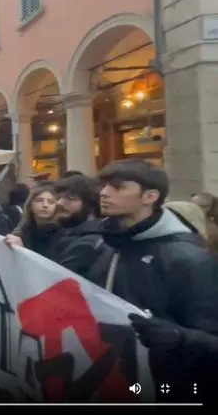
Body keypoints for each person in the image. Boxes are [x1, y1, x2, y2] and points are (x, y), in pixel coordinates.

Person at [88, 160, 218, 402]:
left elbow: (211, 340)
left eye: (118, 187)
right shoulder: (105, 244)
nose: (104, 193)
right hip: (111, 383)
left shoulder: (188, 258)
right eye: (104, 185)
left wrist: (178, 338)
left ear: (150, 196)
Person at [4, 175, 105, 278]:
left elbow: (52, 282)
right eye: (60, 197)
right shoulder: (73, 235)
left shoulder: (87, 243)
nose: (60, 203)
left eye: (70, 198)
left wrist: (22, 253)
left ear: (89, 203)